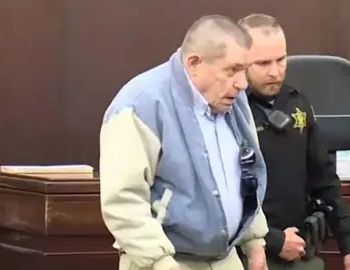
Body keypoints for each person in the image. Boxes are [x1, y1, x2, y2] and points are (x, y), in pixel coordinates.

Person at [99, 15, 270, 270]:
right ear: (194, 63)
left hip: (226, 259)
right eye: (232, 70)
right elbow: (123, 201)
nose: (242, 83)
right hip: (164, 263)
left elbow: (246, 174)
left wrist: (255, 243)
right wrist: (161, 263)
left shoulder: (233, 99)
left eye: (244, 69)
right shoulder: (139, 106)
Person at [238, 14, 350, 270]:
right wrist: (274, 240)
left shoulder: (297, 103)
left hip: (300, 249)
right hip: (251, 253)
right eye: (263, 63)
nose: (275, 72)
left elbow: (325, 179)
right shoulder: (230, 111)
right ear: (241, 62)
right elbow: (224, 199)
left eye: (281, 60)